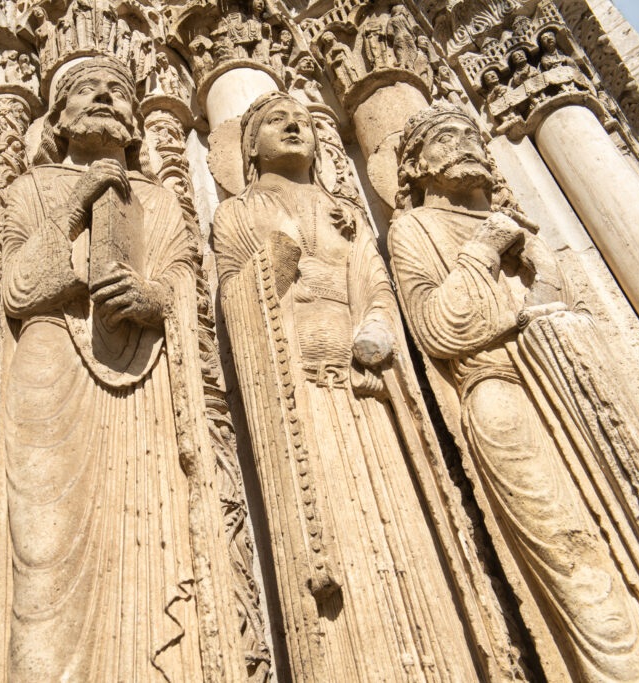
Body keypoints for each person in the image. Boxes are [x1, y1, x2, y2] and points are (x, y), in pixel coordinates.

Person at [388, 103, 639, 682]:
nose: (467, 144)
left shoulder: (522, 226)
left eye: (473, 134)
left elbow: (563, 310)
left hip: (578, 387)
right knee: (574, 557)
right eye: (447, 138)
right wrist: (486, 248)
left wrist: (538, 265)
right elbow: (440, 328)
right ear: (417, 165)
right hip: (501, 393)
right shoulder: (413, 229)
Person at [213, 92, 485, 681]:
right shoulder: (238, 212)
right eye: (273, 121)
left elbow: (376, 281)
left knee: (405, 536)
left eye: (307, 121)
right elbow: (235, 293)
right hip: (299, 395)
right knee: (332, 544)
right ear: (249, 149)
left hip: (370, 389)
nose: (295, 127)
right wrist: (273, 267)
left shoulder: (346, 213)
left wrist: (379, 323)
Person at [0, 56, 247, 681]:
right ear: (57, 118)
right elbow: (20, 288)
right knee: (43, 549)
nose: (107, 97)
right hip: (52, 358)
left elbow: (184, 280)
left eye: (119, 91)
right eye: (88, 90)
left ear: (138, 122)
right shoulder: (27, 189)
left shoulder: (160, 201)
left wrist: (155, 297)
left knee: (149, 544)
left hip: (149, 370)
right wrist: (80, 196)